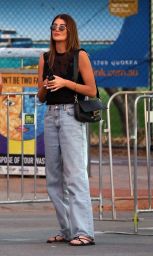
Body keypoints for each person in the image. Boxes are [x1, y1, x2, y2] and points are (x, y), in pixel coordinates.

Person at [37, 13, 96, 246]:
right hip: (50, 116)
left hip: (71, 114)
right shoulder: (45, 58)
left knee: (75, 176)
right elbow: (41, 97)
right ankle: (68, 229)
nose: (57, 29)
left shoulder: (79, 56)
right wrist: (44, 87)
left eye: (62, 26)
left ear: (69, 30)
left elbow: (91, 89)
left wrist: (65, 83)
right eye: (54, 26)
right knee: (53, 178)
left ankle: (85, 232)